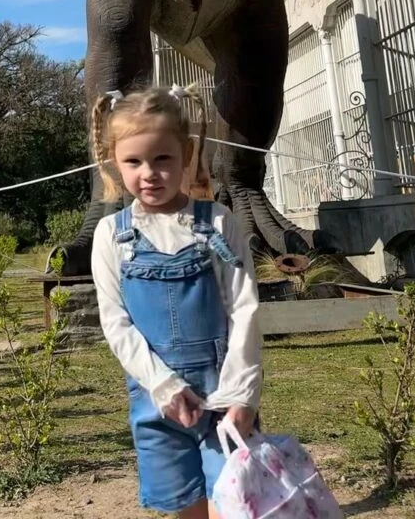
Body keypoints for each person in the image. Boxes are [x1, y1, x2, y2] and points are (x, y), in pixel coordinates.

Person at [90, 85, 261, 519]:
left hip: (223, 396)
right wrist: (163, 386)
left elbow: (244, 310)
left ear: (186, 153)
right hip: (157, 403)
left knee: (233, 505)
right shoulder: (112, 235)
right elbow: (116, 323)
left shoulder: (218, 222)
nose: (149, 173)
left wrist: (242, 394)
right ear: (113, 162)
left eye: (162, 158)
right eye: (133, 161)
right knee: (186, 509)